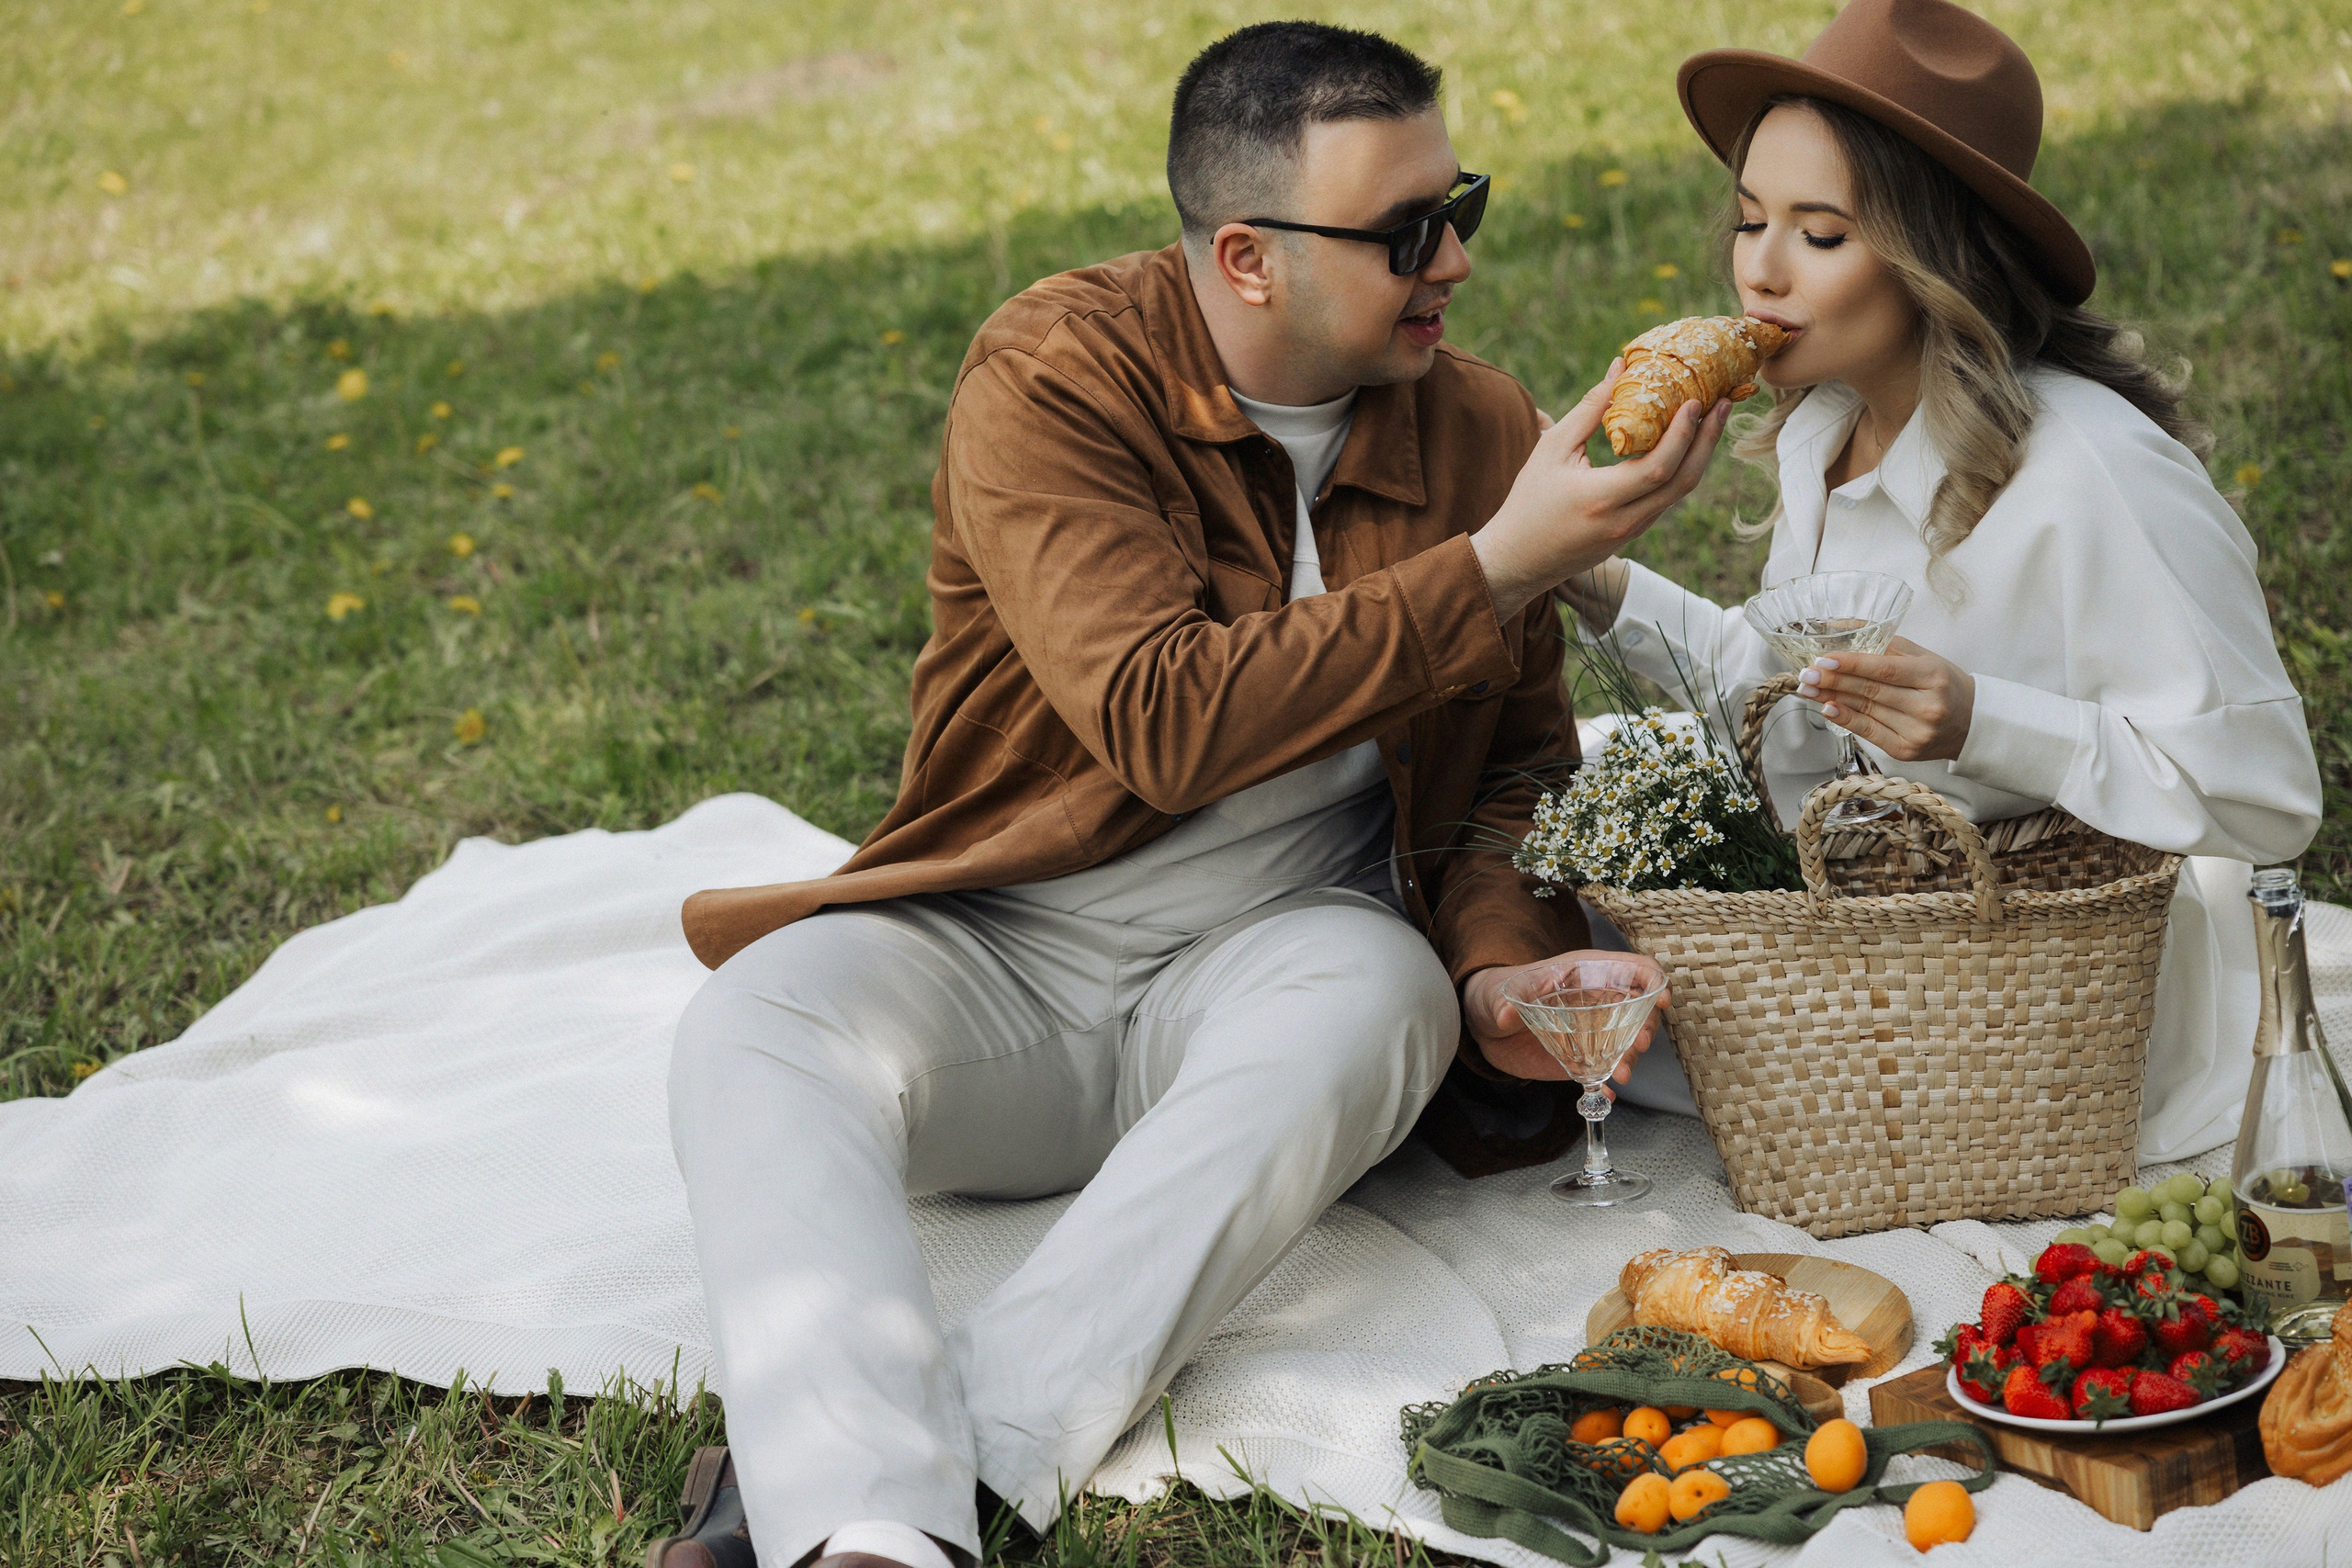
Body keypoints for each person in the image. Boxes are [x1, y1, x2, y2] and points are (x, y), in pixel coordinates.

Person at [649, 23, 1724, 1568]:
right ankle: (872, 1507)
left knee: (1387, 992)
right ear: (1247, 257)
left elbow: (1516, 763)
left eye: (1460, 207)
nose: (1455, 265)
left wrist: (1496, 966)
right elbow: (1158, 715)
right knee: (757, 1020)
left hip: (1274, 968)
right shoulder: (1058, 372)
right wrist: (1495, 563)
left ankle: (910, 1509)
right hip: (998, 952)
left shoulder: (1482, 430)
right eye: (1407, 233)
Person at [1563, 0, 2323, 1158]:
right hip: (1878, 926)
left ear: (1936, 259)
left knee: (1588, 1005)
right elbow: (1798, 717)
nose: (1758, 272)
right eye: (1751, 219)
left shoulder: (2094, 475)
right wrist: (1594, 577)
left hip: (2049, 1008)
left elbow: (2267, 795)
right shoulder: (1827, 431)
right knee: (1552, 790)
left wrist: (1983, 722)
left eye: (1820, 236)